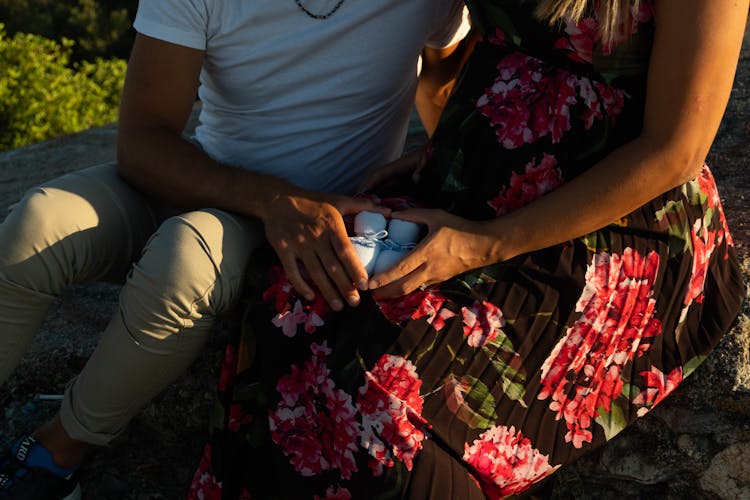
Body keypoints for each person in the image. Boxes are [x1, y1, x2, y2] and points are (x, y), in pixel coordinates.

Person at [190, 0, 747, 498]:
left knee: (380, 378)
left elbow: (674, 150)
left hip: (608, 231)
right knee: (294, 295)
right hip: (476, 187)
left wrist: (481, 246)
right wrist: (452, 147)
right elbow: (472, 50)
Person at [0, 1, 472, 498]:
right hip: (211, 179)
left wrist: (440, 161)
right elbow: (142, 142)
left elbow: (443, 82)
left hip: (319, 220)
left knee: (182, 264)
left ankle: (55, 456)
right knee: (37, 224)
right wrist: (273, 201)